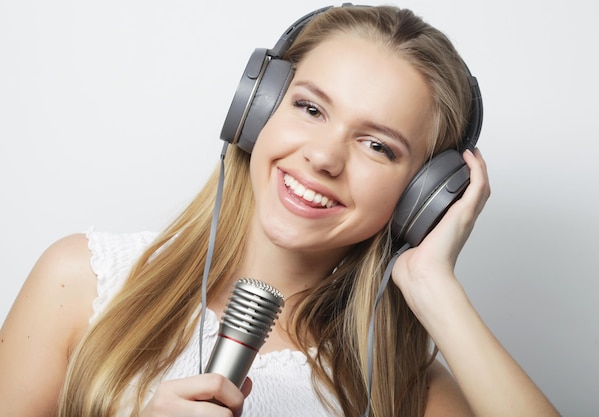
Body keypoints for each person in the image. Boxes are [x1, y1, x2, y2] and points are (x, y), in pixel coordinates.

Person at [0, 4, 561, 417]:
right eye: (311, 107)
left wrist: (432, 283)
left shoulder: (405, 389)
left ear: (422, 195)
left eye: (378, 146)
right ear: (256, 108)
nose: (322, 157)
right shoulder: (81, 280)